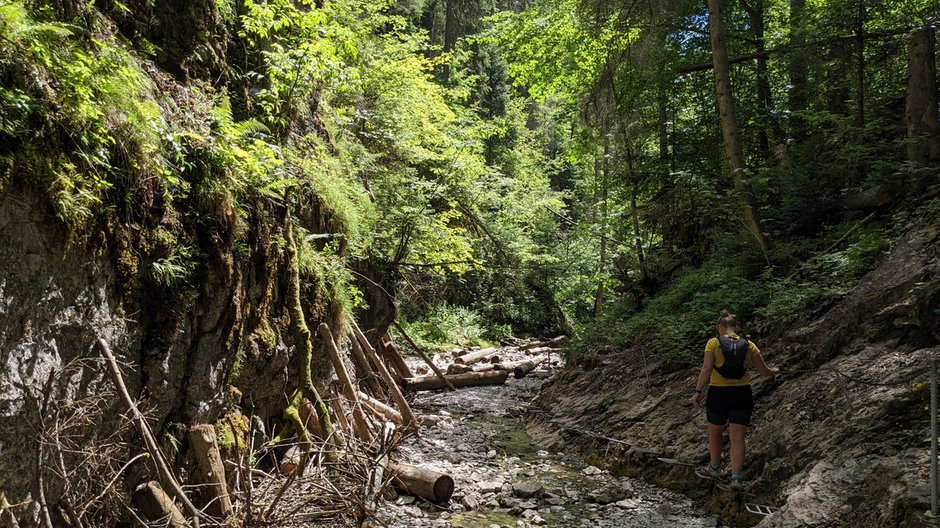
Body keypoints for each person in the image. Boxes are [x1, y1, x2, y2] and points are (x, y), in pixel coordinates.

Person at [690, 310, 778, 491]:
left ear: (720, 327)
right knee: (737, 438)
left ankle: (715, 467)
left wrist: (697, 391)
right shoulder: (749, 345)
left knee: (715, 432)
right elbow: (763, 370)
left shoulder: (713, 343)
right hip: (742, 393)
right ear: (735, 327)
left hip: (718, 394)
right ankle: (736, 478)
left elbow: (707, 369)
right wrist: (774, 371)